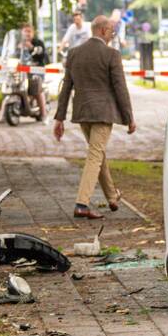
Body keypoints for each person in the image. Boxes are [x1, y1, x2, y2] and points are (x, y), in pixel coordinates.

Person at [53, 16, 136, 219]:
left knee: (97, 153)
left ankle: (112, 197)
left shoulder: (74, 53)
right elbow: (120, 88)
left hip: (82, 112)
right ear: (103, 30)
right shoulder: (111, 55)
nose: (112, 36)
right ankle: (82, 204)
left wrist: (59, 118)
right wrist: (129, 118)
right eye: (111, 32)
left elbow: (65, 88)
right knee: (95, 155)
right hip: (103, 113)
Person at [20, 24, 49, 119]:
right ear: (22, 32)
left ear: (33, 33)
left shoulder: (38, 42)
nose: (27, 34)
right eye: (25, 31)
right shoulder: (19, 44)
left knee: (37, 88)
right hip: (23, 72)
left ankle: (44, 113)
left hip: (37, 71)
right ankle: (3, 116)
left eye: (29, 31)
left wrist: (31, 47)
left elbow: (41, 55)